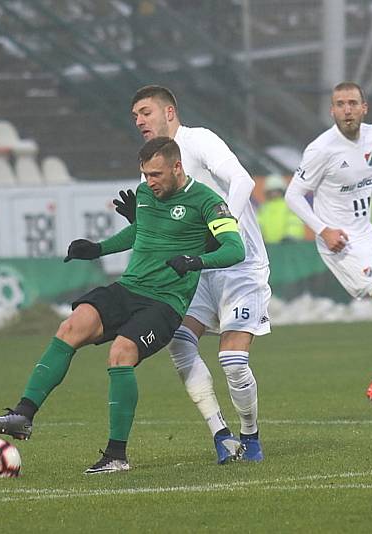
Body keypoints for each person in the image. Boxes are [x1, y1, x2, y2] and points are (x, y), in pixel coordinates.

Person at [0, 137, 245, 474]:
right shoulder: (148, 195)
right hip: (128, 288)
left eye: (156, 174)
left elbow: (234, 249)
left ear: (177, 167)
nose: (149, 182)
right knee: (71, 326)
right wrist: (98, 249)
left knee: (121, 352)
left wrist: (195, 260)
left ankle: (116, 455)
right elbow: (141, 231)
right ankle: (23, 415)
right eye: (145, 174)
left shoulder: (207, 201)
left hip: (165, 304)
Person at [117, 85, 271, 463]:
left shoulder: (199, 141)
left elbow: (244, 182)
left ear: (169, 112)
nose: (138, 120)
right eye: (135, 115)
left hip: (239, 265)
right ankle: (221, 435)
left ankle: (250, 436)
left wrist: (221, 230)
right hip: (195, 272)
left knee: (233, 362)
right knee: (180, 342)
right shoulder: (150, 170)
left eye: (145, 112)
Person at [284, 82, 372, 411]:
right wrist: (323, 230)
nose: (347, 110)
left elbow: (370, 174)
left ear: (364, 108)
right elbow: (293, 195)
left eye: (352, 103)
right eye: (340, 104)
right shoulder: (321, 149)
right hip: (342, 244)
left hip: (367, 234)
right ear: (332, 111)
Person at [256, 174, 307, 244]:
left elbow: (295, 223)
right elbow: (258, 225)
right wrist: (259, 238)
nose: (274, 194)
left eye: (276, 191)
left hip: (288, 246)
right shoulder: (264, 208)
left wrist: (290, 237)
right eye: (271, 191)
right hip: (268, 247)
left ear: (282, 191)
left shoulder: (289, 205)